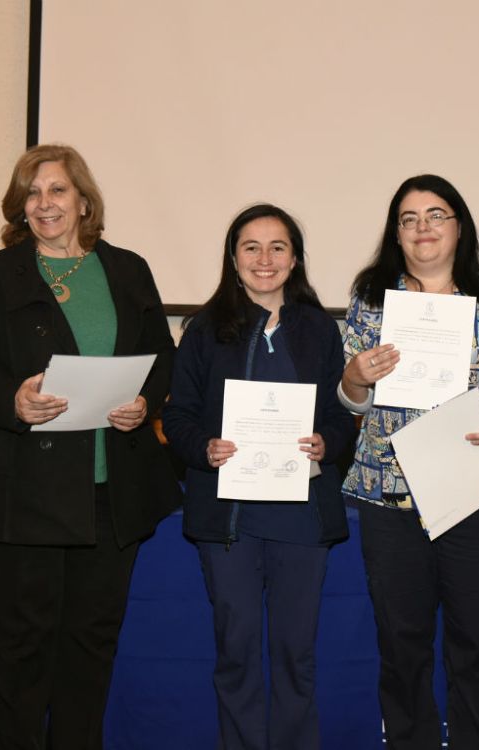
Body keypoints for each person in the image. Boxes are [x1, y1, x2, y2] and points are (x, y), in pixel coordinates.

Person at [0, 144, 181, 749]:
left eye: (57, 190)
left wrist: (146, 402)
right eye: (32, 193)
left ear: (83, 200)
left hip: (111, 497)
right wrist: (12, 401)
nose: (45, 203)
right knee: (19, 655)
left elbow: (162, 356)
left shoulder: (128, 270)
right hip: (19, 499)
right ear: (18, 207)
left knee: (89, 652)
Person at [340, 174, 479, 749]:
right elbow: (354, 400)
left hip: (474, 491)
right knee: (401, 648)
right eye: (409, 218)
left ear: (459, 226)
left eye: (435, 215)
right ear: (396, 233)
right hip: (391, 498)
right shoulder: (372, 298)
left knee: (476, 648)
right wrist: (353, 380)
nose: (422, 228)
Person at [161, 204, 356, 749]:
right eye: (251, 247)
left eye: (278, 248)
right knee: (237, 650)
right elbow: (176, 416)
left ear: (295, 260)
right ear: (233, 257)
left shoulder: (319, 328)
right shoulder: (202, 329)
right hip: (230, 521)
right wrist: (204, 447)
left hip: (302, 515)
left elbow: (344, 414)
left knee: (297, 654)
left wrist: (329, 441)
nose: (264, 259)